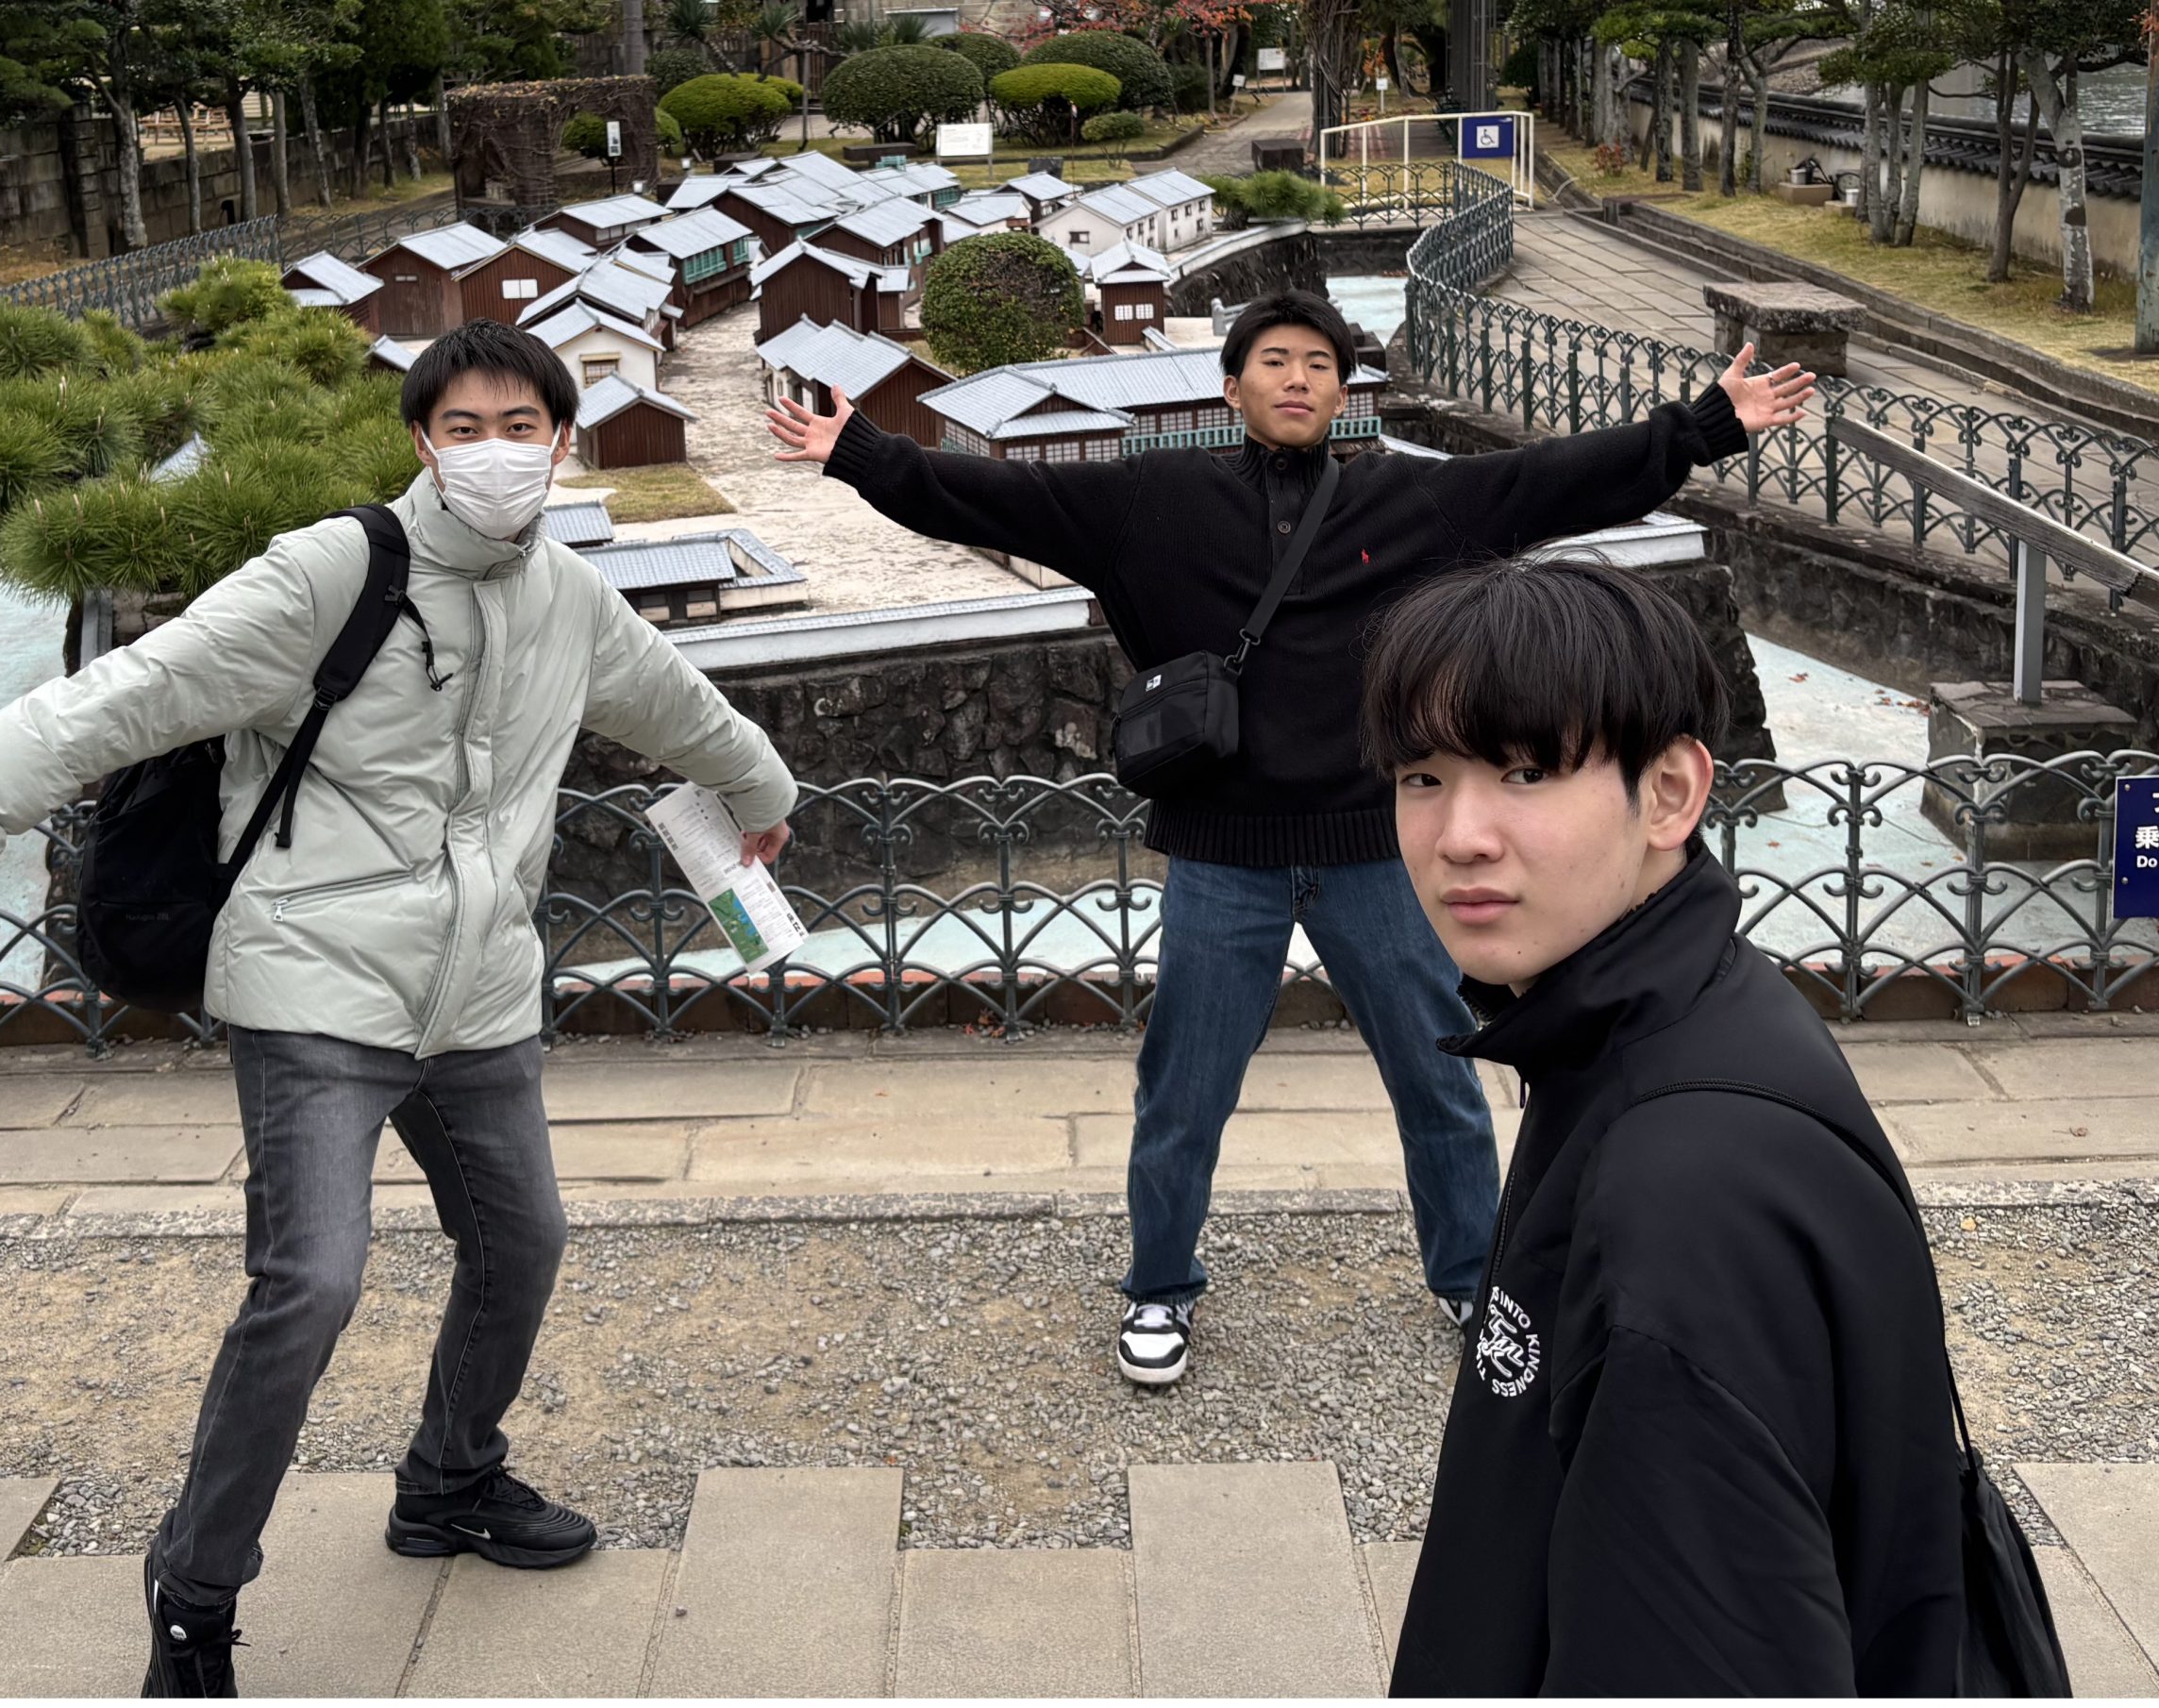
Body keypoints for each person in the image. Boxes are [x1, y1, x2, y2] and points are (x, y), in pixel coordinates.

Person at [0, 319, 799, 1697]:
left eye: (522, 426)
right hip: (314, 978)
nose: (495, 451)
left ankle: (450, 1479)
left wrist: (761, 791)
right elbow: (124, 696)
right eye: (465, 427)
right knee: (312, 1280)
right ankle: (195, 1586)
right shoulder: (329, 571)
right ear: (422, 440)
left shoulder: (567, 595)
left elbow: (678, 707)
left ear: (563, 441)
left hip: (477, 989)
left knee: (522, 1243)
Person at [767, 289, 1813, 1385]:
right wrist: (862, 452)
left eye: (1320, 362)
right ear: (1232, 387)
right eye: (1274, 359)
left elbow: (1550, 480)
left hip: (1373, 852)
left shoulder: (1405, 501)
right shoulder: (1153, 499)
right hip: (1222, 857)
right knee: (1184, 1090)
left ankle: (1470, 1271)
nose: (1298, 377)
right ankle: (1159, 1286)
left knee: (1438, 1081)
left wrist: (1705, 426)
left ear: (1342, 391)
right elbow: (995, 497)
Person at [1369, 557, 1964, 1693]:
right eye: (1421, 777)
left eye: (1526, 771)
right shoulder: (1665, 1021)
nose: (1459, 835)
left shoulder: (1679, 1195)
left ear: (1671, 793)